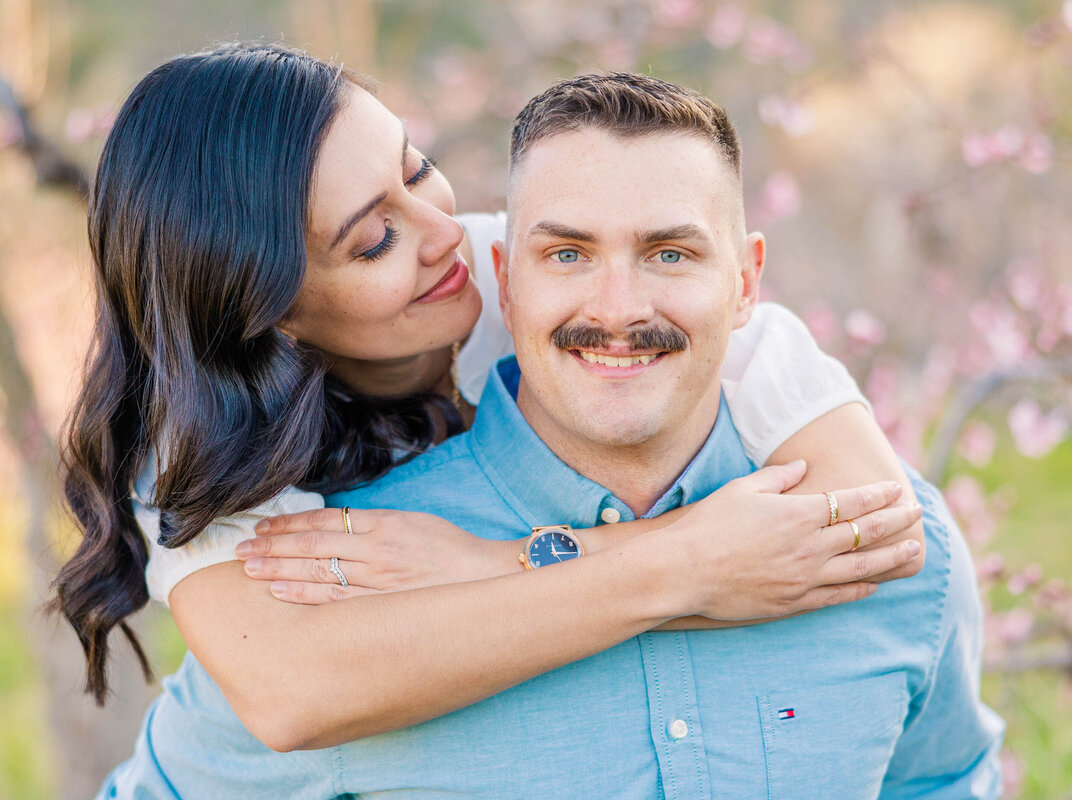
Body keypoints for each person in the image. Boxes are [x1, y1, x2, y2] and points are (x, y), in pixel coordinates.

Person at [51, 43, 929, 789]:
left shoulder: (538, 273)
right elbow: (294, 693)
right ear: (269, 310)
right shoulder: (200, 441)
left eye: (413, 168)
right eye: (372, 241)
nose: (440, 231)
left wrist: (494, 564)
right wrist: (689, 564)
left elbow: (870, 534)